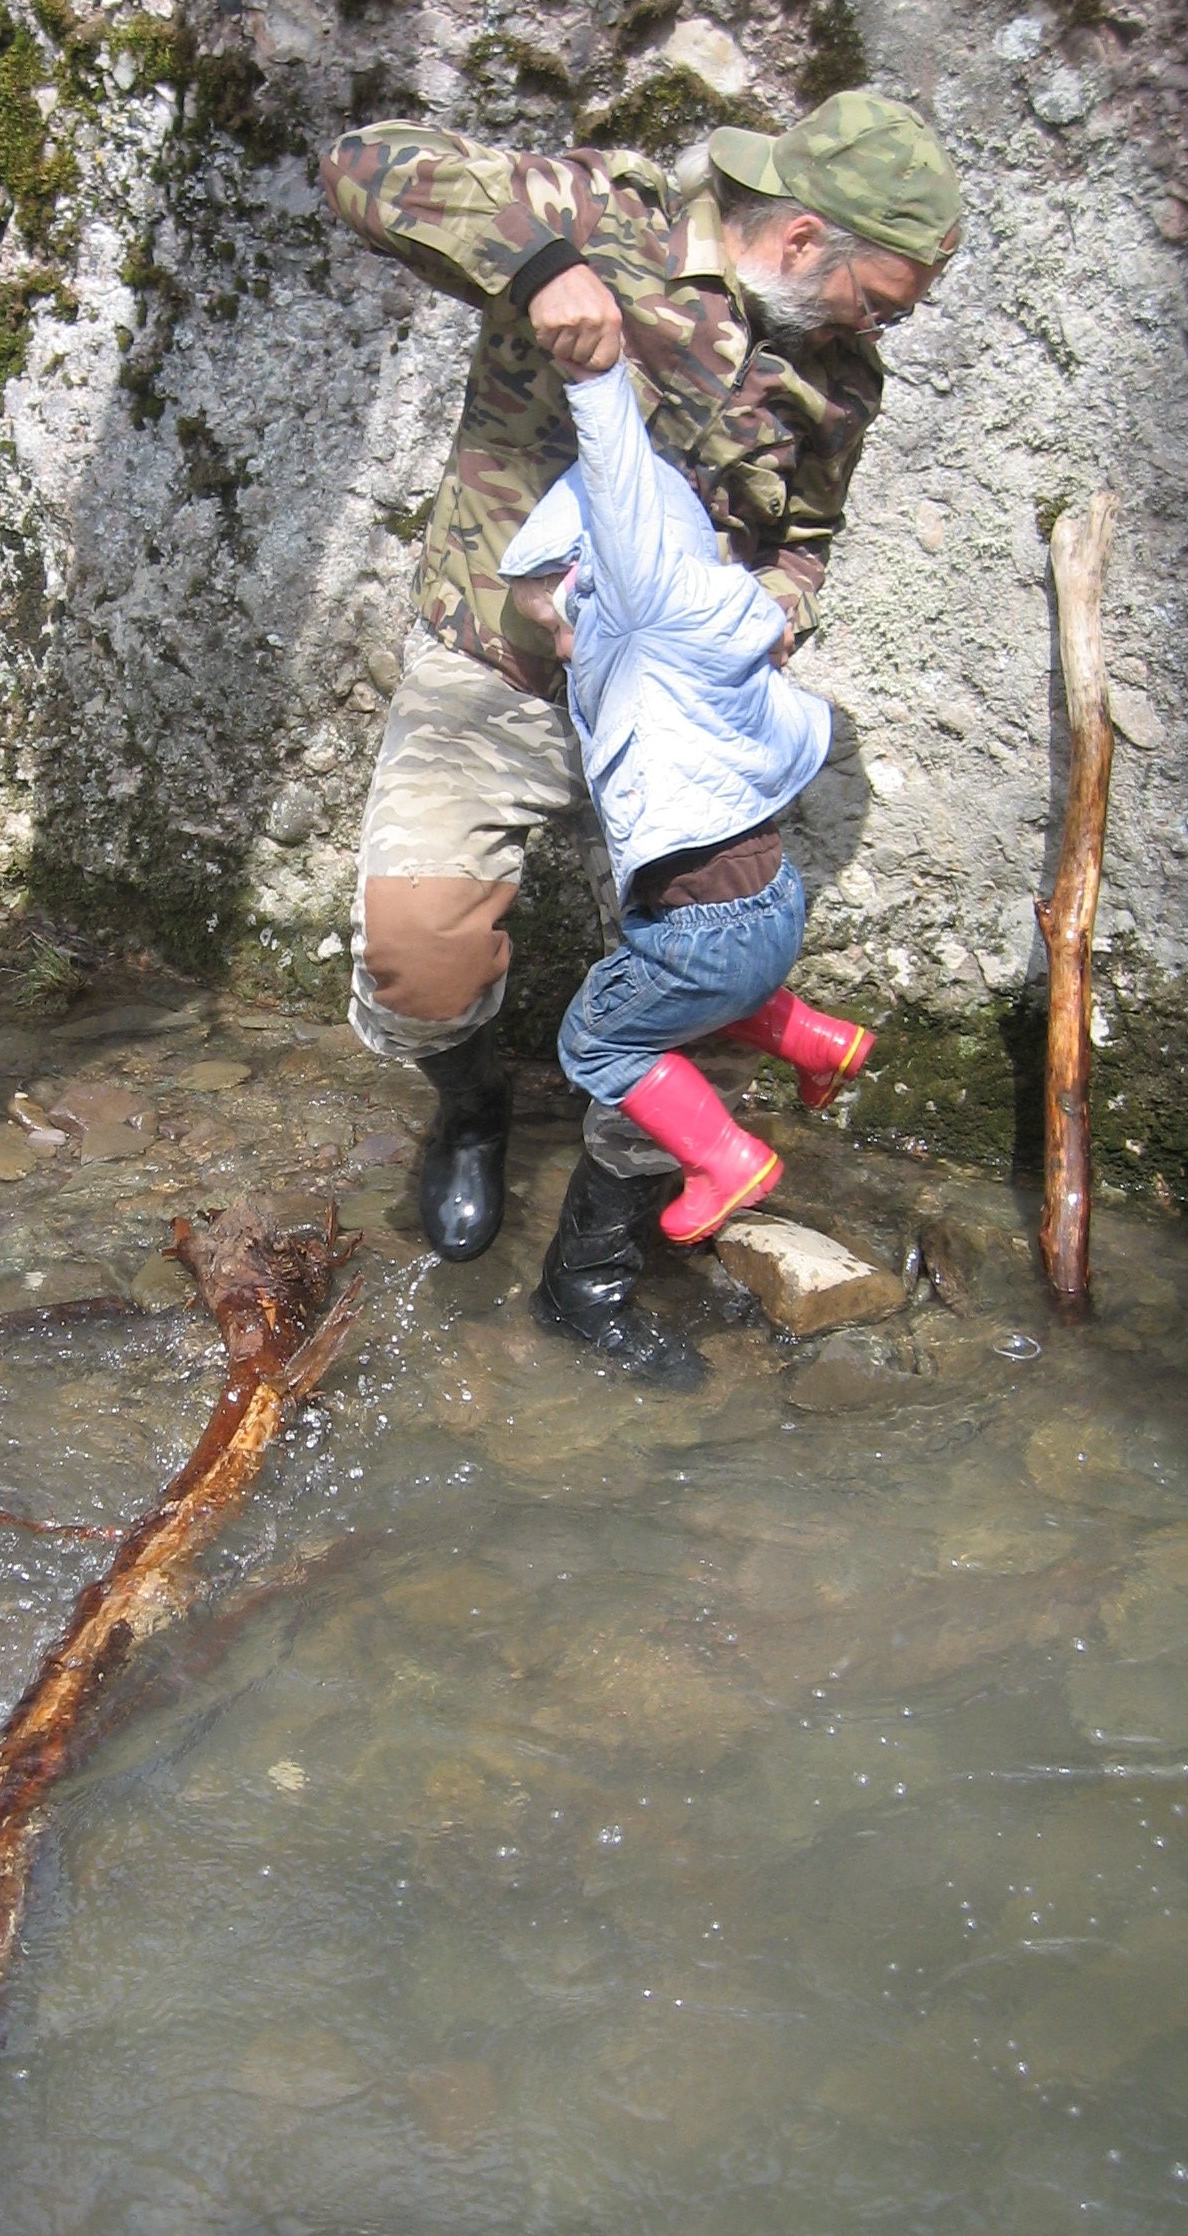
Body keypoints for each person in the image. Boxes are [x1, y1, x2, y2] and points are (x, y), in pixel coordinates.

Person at [321, 89, 961, 1364]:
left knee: (688, 984)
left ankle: (595, 1269)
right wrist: (541, 268)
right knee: (418, 959)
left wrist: (768, 617)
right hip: (498, 674)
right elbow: (361, 164)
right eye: (880, 299)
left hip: (675, 725)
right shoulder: (607, 214)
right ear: (802, 239)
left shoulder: (839, 376)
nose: (881, 327)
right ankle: (471, 1104)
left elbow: (806, 538)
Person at [498, 352, 874, 1264]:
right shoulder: (726, 620)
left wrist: (594, 378)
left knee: (597, 1040)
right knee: (701, 1000)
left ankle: (724, 1160)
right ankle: (820, 1043)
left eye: (556, 621)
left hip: (702, 928)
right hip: (772, 902)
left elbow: (621, 485)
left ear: (594, 573)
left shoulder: (642, 606)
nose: (562, 646)